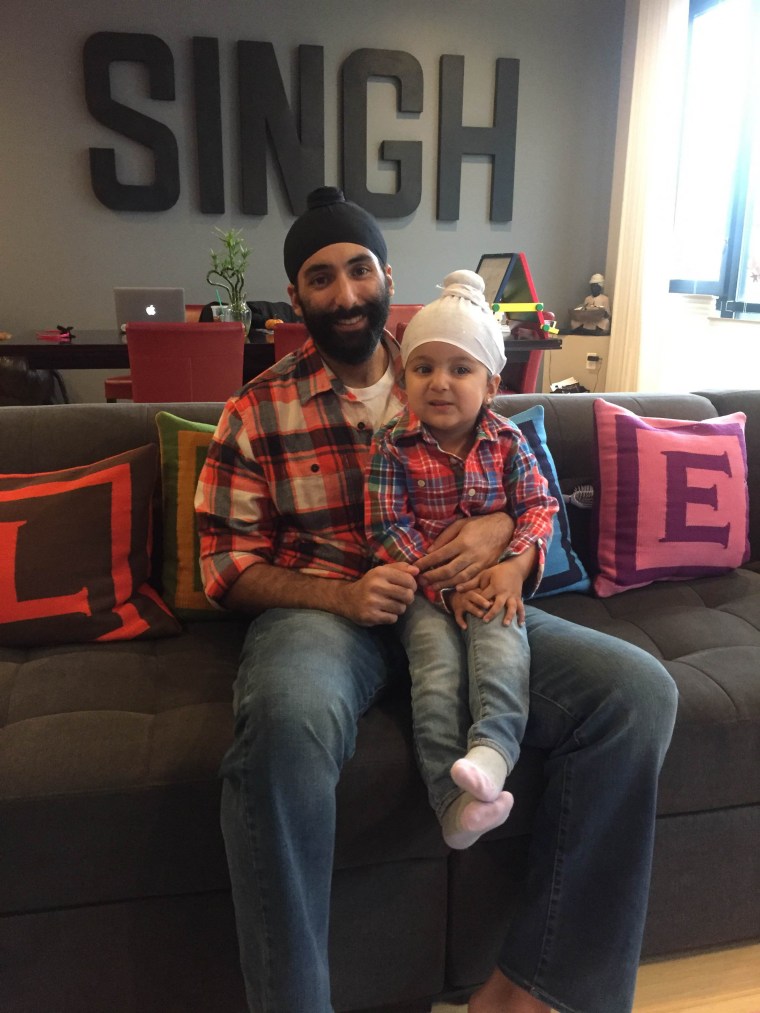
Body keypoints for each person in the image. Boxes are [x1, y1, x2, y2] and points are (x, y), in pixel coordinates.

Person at [195, 186, 678, 1013]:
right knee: (282, 722)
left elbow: (531, 510)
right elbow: (226, 567)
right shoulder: (254, 409)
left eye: (357, 269)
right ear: (297, 294)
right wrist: (342, 596)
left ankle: (534, 986)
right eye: (319, 278)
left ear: (386, 272)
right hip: (325, 613)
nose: (344, 294)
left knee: (638, 693)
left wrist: (501, 538)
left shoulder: (452, 359)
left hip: (461, 600)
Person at [364, 269, 558, 850]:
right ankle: (450, 802)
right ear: (404, 380)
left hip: (497, 583)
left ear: (491, 384)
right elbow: (388, 529)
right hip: (426, 591)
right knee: (438, 670)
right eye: (424, 368)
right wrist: (445, 590)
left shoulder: (508, 442)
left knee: (503, 646)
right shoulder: (392, 445)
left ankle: (494, 753)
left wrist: (514, 567)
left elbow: (539, 507)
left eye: (460, 369)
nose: (440, 383)